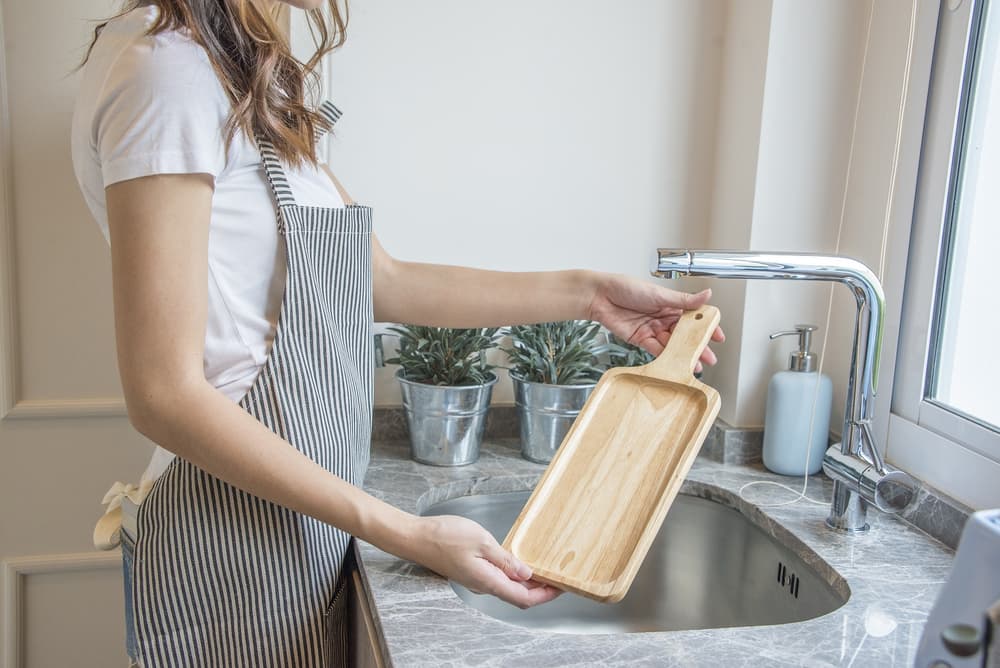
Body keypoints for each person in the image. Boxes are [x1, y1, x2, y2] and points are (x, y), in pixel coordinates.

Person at [71, 0, 724, 665]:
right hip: (226, 530)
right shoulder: (167, 74)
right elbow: (163, 393)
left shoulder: (238, 78)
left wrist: (590, 295)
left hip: (297, 516)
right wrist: (403, 531)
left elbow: (381, 277)